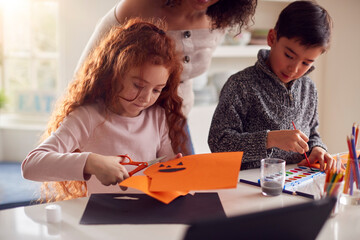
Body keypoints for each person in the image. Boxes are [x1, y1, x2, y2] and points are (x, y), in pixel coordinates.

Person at [22, 18, 187, 201]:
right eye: (138, 85)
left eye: (157, 89)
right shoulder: (88, 117)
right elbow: (31, 166)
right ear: (114, 74)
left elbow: (166, 165)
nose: (146, 98)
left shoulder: (157, 116)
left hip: (150, 214)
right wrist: (91, 162)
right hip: (103, 219)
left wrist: (172, 169)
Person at [75, 0, 258, 153]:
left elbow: (186, 68)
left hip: (174, 122)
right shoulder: (137, 6)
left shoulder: (220, 17)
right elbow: (86, 72)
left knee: (184, 188)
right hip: (121, 124)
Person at [208, 0, 334, 171]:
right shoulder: (240, 85)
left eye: (306, 62)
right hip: (248, 187)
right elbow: (219, 143)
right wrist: (270, 139)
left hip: (294, 183)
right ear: (272, 38)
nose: (294, 69)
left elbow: (312, 133)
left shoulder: (309, 88)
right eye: (289, 55)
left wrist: (318, 148)